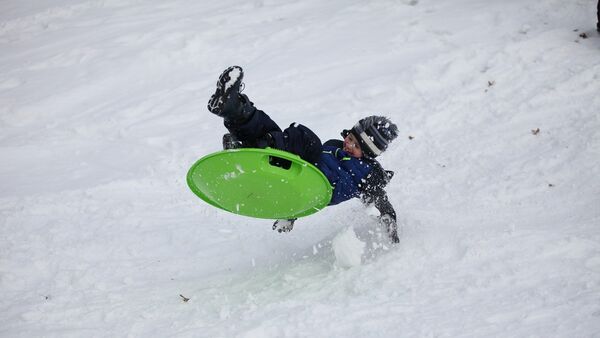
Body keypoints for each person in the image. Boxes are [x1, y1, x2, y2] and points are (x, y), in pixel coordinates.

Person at [207, 66, 401, 243]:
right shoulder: (335, 147)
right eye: (350, 137)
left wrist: (389, 223)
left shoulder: (369, 174)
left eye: (356, 145)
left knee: (305, 138)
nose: (348, 144)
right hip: (295, 170)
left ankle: (248, 146)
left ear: (368, 154)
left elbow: (380, 200)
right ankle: (233, 109)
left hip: (315, 187)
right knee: (271, 130)